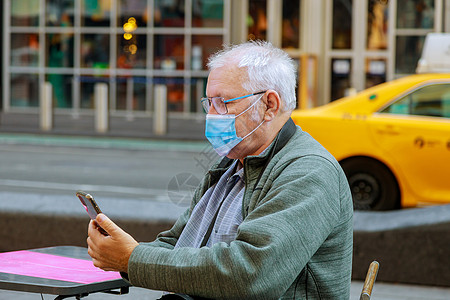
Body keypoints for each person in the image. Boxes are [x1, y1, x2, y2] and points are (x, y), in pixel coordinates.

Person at [87, 41, 353, 299]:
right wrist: (120, 255)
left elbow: (251, 274)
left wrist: (133, 259)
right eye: (209, 103)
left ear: (269, 105)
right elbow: (177, 244)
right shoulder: (230, 164)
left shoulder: (309, 171)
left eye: (223, 103)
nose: (212, 115)